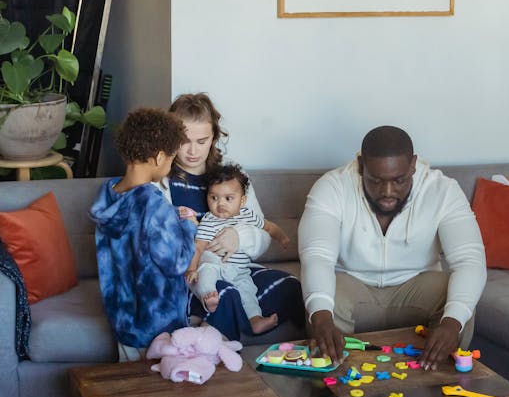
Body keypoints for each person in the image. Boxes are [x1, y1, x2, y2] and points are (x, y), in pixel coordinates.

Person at [298, 125, 486, 370]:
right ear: (360, 165)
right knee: (321, 304)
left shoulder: (444, 190)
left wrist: (453, 322)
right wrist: (320, 317)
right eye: (375, 181)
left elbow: (469, 261)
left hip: (417, 283)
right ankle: (338, 375)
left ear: (413, 165)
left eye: (399, 180)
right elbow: (317, 257)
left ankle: (439, 378)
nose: (387, 192)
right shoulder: (331, 187)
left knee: (461, 303)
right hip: (353, 282)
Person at [166, 93, 304, 340]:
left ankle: (219, 322)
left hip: (238, 269)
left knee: (291, 287)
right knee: (224, 294)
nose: (192, 150)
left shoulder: (232, 176)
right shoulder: (163, 180)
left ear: (215, 137)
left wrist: (238, 237)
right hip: (194, 272)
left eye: (202, 140)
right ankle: (214, 335)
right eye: (184, 140)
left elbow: (263, 238)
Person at [90, 108, 197, 361]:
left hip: (123, 320)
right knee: (161, 393)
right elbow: (176, 263)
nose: (170, 166)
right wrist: (188, 226)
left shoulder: (108, 195)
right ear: (159, 157)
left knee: (132, 391)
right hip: (157, 323)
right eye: (171, 160)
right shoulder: (154, 206)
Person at [185, 163, 289, 334]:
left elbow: (269, 227)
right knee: (206, 273)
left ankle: (255, 320)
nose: (220, 204)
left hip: (240, 270)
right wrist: (192, 269)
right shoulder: (209, 220)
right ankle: (209, 297)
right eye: (214, 198)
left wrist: (283, 238)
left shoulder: (248, 215)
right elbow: (198, 246)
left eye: (228, 198)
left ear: (242, 201)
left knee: (248, 292)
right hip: (216, 265)